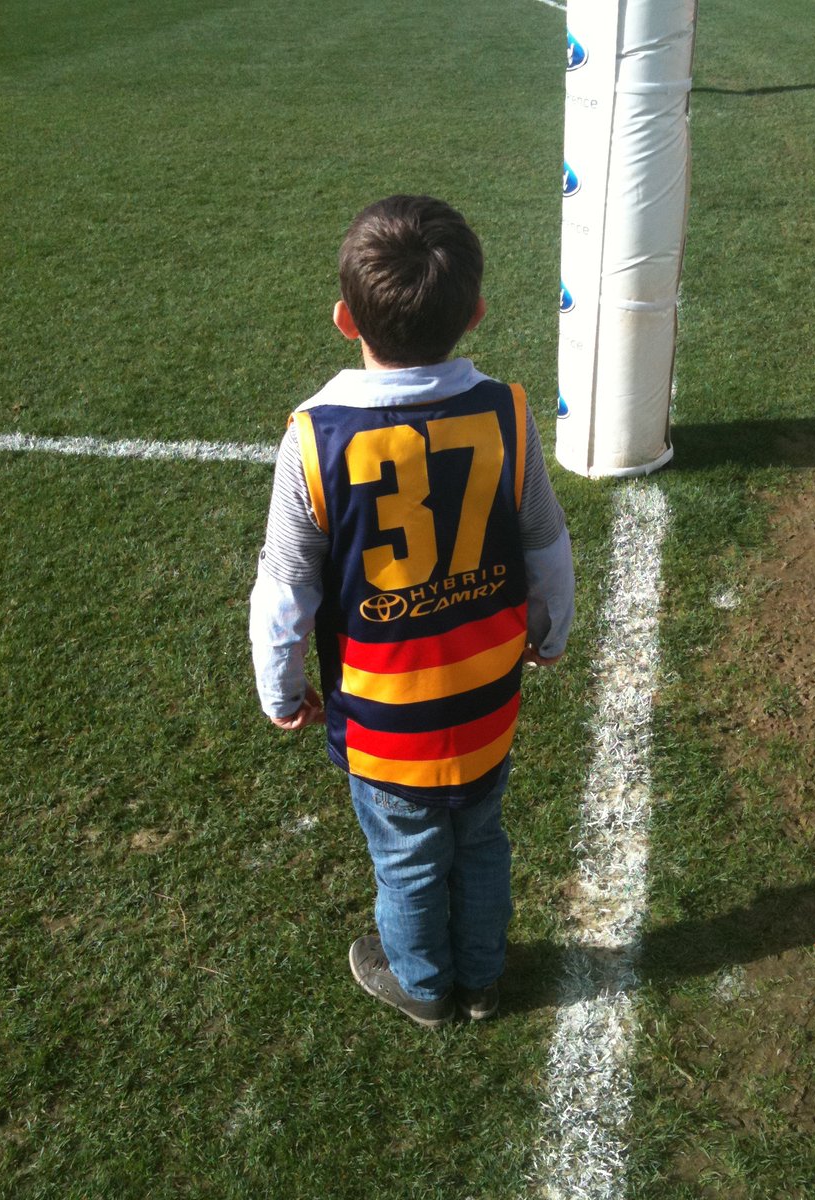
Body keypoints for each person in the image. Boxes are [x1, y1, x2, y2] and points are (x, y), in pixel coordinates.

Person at [250, 195, 574, 1028]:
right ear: (475, 313)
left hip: (384, 719)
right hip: (487, 698)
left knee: (408, 857)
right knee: (481, 839)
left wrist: (281, 693)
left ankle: (424, 985)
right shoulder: (508, 413)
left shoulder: (312, 436)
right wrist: (551, 629)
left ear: (341, 318)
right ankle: (483, 975)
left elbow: (286, 592)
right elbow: (546, 542)